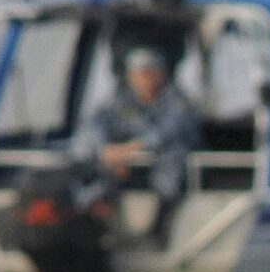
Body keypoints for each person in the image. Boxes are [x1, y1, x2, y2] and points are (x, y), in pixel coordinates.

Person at [70, 47, 200, 236]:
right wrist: (106, 151)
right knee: (90, 169)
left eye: (150, 72)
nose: (145, 78)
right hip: (127, 169)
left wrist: (127, 151)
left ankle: (161, 225)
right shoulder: (120, 101)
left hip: (170, 174)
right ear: (130, 76)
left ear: (161, 74)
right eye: (140, 73)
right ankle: (95, 222)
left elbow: (165, 134)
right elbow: (94, 127)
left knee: (173, 156)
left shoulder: (178, 102)